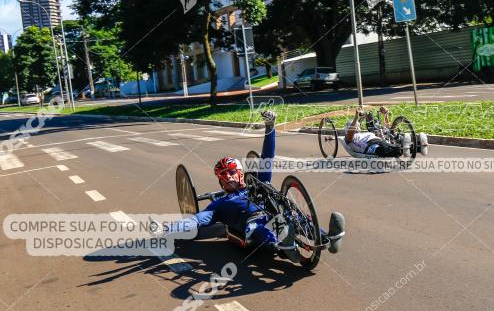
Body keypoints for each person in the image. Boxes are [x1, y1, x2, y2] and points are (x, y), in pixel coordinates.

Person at [164, 110, 345, 260]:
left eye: (232, 171)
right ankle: (282, 245)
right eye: (224, 175)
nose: (229, 176)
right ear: (220, 181)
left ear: (241, 173)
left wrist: (270, 127)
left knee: (295, 215)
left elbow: (267, 157)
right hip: (253, 223)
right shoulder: (219, 203)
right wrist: (168, 229)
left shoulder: (259, 183)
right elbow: (197, 220)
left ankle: (330, 237)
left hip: (276, 213)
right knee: (255, 227)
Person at [344, 106, 428, 157]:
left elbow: (386, 129)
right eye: (355, 126)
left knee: (390, 136)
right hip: (372, 147)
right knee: (390, 149)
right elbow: (351, 132)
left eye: (358, 126)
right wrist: (356, 118)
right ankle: (406, 147)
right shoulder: (349, 138)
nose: (357, 127)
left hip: (379, 140)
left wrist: (385, 114)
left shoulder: (364, 133)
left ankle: (419, 146)